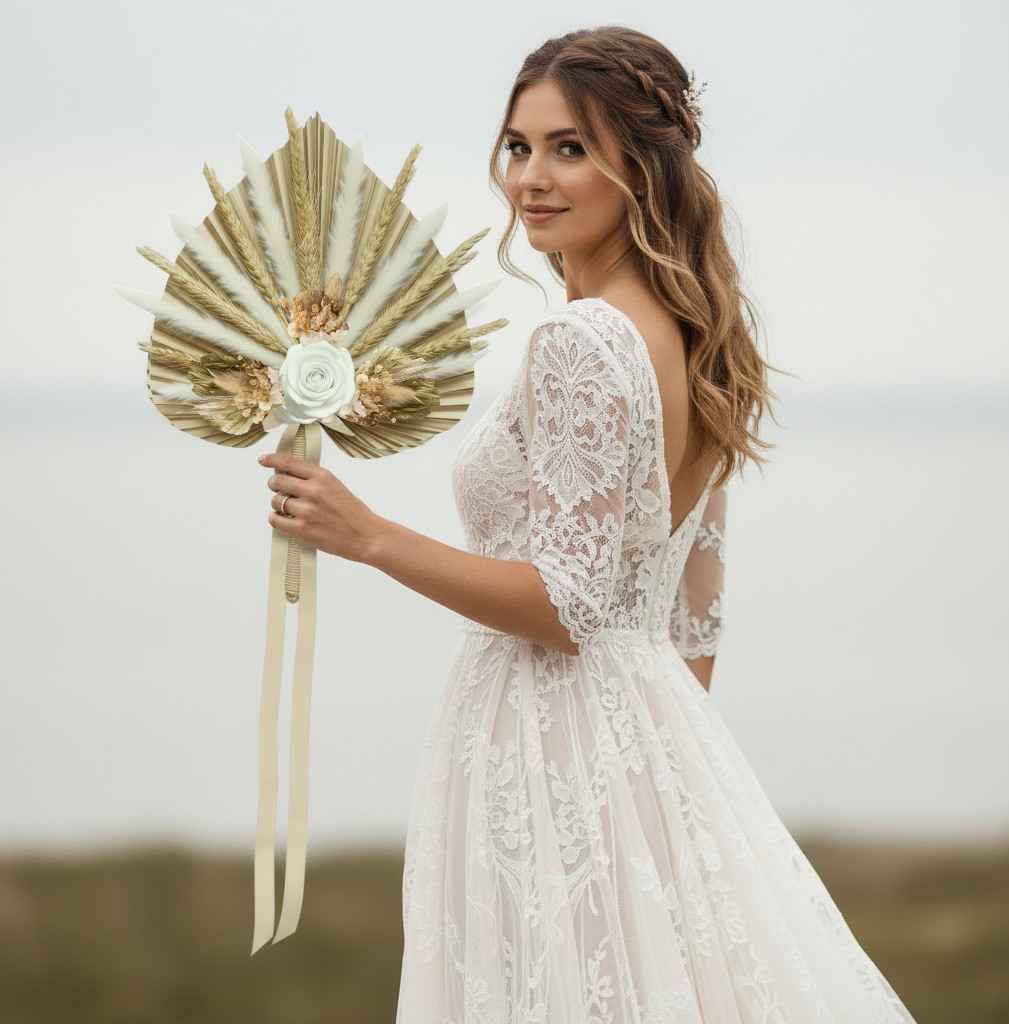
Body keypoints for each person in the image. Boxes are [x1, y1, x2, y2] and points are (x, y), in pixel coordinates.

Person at [260, 24, 920, 1023]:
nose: (531, 177)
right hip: (648, 740)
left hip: (545, 744)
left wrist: (366, 534)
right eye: (519, 146)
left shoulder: (581, 339)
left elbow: (566, 607)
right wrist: (656, 785)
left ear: (638, 164)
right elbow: (693, 617)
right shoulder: (692, 336)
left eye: (569, 148)